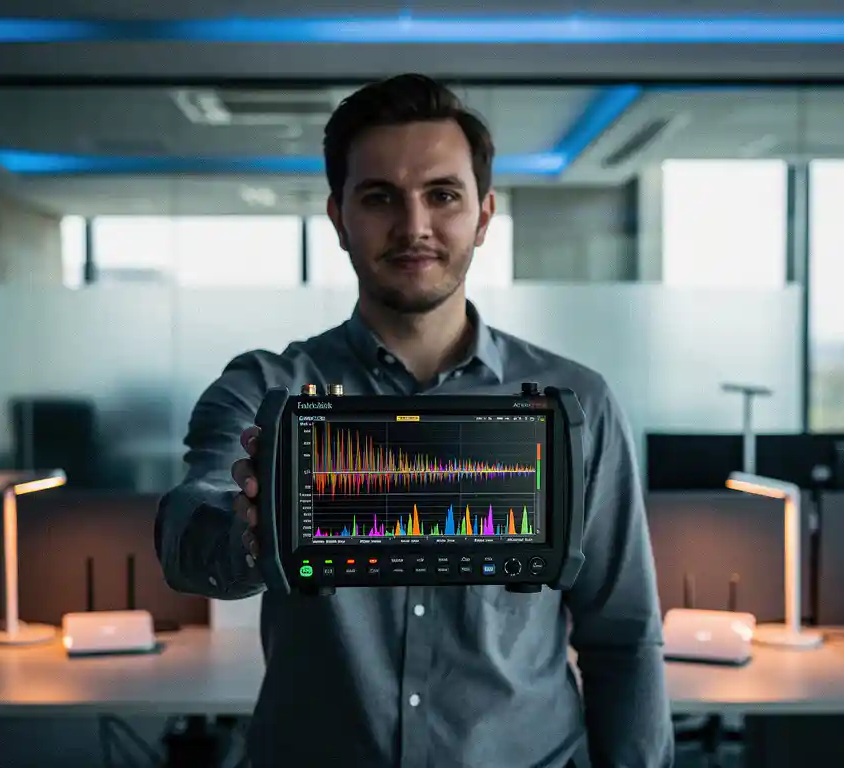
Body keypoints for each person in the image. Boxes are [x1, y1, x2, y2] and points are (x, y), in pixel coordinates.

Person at [155, 73, 674, 768]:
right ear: (338, 216)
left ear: (484, 215)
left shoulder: (575, 403)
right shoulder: (266, 389)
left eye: (443, 195)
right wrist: (251, 538)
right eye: (379, 198)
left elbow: (624, 637)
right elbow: (187, 538)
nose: (414, 227)